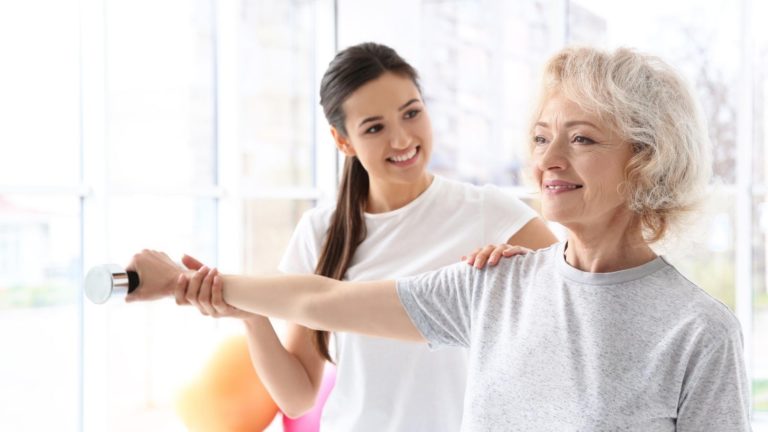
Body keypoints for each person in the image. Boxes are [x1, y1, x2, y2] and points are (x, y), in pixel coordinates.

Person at [128, 46, 751, 430]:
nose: (549, 159)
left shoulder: (698, 331)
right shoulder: (494, 285)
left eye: (582, 139)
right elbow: (323, 302)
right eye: (540, 137)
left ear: (647, 160)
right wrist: (187, 285)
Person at [153, 42, 556, 432]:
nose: (401, 139)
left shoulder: (490, 214)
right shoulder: (319, 232)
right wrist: (253, 317)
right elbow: (298, 398)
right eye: (375, 127)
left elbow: (576, 302)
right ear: (343, 140)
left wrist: (520, 277)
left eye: (411, 113)